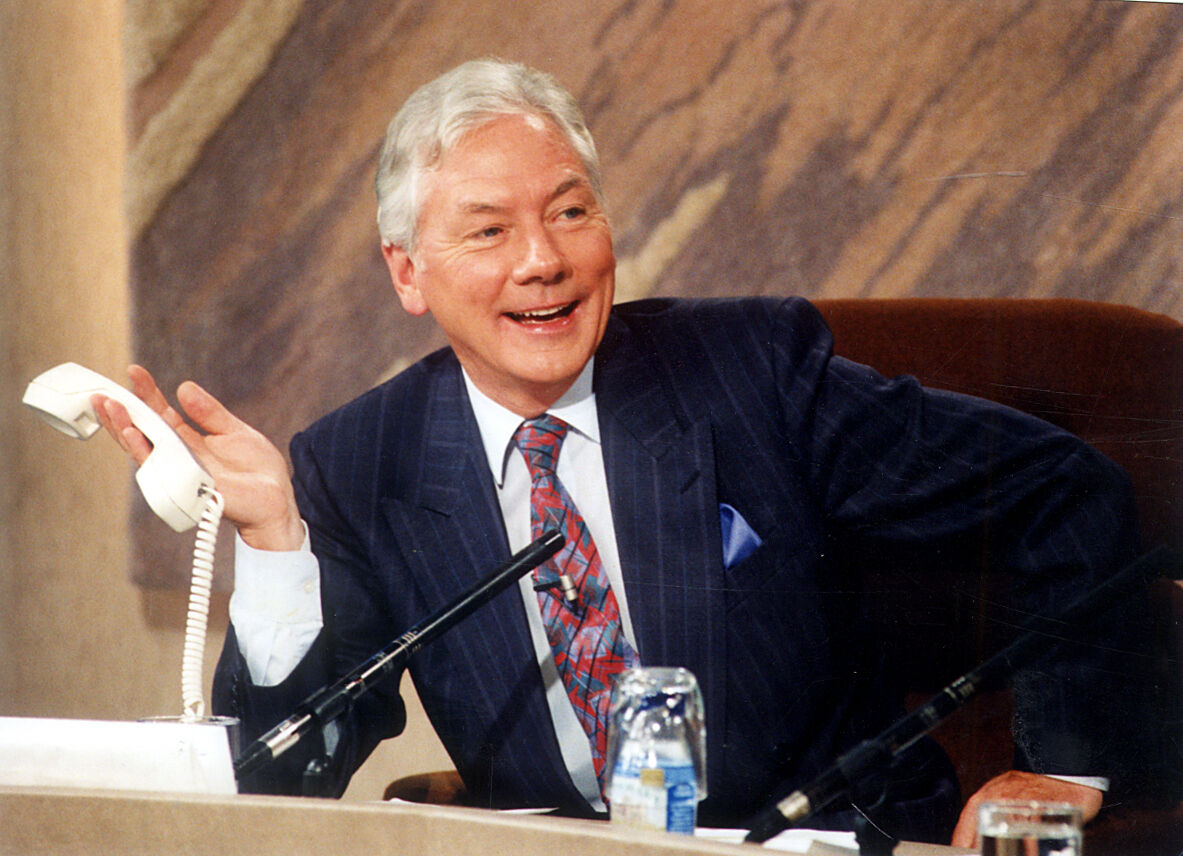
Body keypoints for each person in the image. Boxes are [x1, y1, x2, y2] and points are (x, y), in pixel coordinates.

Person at [95, 58, 1152, 846]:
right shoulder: (359, 463)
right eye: (488, 231)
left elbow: (1064, 490)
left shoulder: (750, 375)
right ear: (408, 273)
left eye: (570, 212)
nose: (542, 261)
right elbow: (283, 788)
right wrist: (276, 548)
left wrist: (1067, 767)